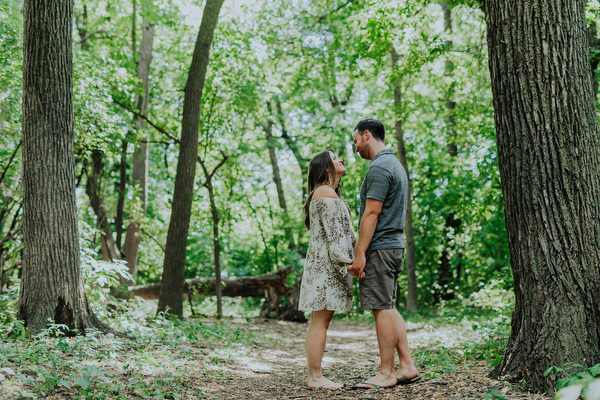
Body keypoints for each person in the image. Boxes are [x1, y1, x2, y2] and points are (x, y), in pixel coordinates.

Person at [347, 119, 420, 389]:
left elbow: (372, 212)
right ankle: (407, 366)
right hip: (394, 245)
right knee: (388, 306)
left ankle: (387, 373)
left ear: (367, 135)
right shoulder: (395, 165)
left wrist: (360, 254)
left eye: (356, 141)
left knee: (381, 309)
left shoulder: (379, 167)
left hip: (380, 247)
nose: (355, 148)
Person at [298, 149, 356, 390]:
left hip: (321, 266)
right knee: (320, 322)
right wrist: (349, 262)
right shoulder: (326, 192)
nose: (340, 158)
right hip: (326, 269)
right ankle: (315, 377)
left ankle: (314, 375)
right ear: (327, 168)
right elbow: (336, 236)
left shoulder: (325, 193)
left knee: (319, 322)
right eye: (334, 158)